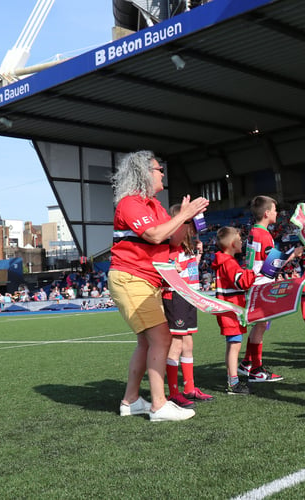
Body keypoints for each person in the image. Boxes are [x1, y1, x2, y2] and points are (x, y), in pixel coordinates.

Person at [111, 150, 208, 422]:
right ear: (143, 173)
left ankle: (130, 401)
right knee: (162, 338)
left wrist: (188, 217)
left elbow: (172, 239)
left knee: (146, 342)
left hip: (146, 279)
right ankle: (158, 404)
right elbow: (154, 235)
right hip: (131, 278)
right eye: (157, 169)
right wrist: (183, 214)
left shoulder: (154, 205)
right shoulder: (130, 203)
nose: (162, 173)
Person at [239, 195, 301, 382]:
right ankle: (256, 369)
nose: (277, 213)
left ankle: (247, 363)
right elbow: (271, 266)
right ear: (267, 213)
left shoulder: (254, 231)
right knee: (261, 326)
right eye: (274, 210)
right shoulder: (264, 235)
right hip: (260, 284)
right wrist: (294, 254)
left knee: (259, 325)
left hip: (254, 282)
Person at [162, 203, 214, 409]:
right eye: (189, 222)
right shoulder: (170, 247)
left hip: (189, 296)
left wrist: (197, 256)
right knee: (176, 344)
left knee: (188, 343)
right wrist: (171, 266)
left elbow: (189, 272)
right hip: (175, 297)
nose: (192, 227)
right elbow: (166, 274)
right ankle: (174, 392)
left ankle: (189, 387)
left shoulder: (188, 246)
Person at [213, 226, 256, 395]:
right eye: (239, 240)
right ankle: (233, 382)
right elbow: (242, 283)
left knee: (232, 345)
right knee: (235, 346)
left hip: (228, 310)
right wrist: (252, 272)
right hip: (231, 310)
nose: (242, 242)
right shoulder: (229, 262)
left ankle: (232, 378)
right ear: (232, 243)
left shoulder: (223, 261)